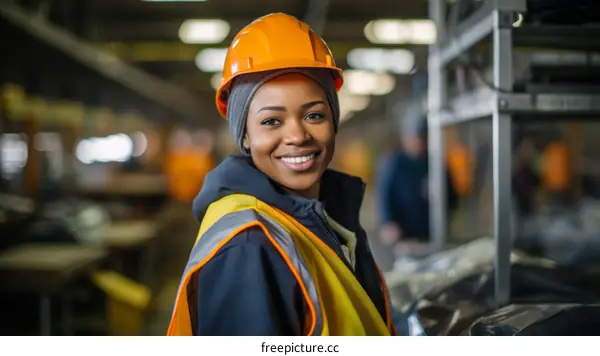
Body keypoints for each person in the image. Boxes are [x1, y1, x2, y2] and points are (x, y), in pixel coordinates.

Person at [167, 13, 397, 336]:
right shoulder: (249, 245)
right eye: (272, 121)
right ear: (244, 135)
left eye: (314, 115)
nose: (297, 136)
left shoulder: (323, 216)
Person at [377, 116, 459, 246]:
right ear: (405, 138)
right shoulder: (395, 163)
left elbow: (453, 198)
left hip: (433, 233)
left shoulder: (436, 164)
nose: (419, 143)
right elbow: (385, 195)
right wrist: (388, 222)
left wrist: (442, 194)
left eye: (423, 138)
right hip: (405, 236)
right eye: (415, 138)